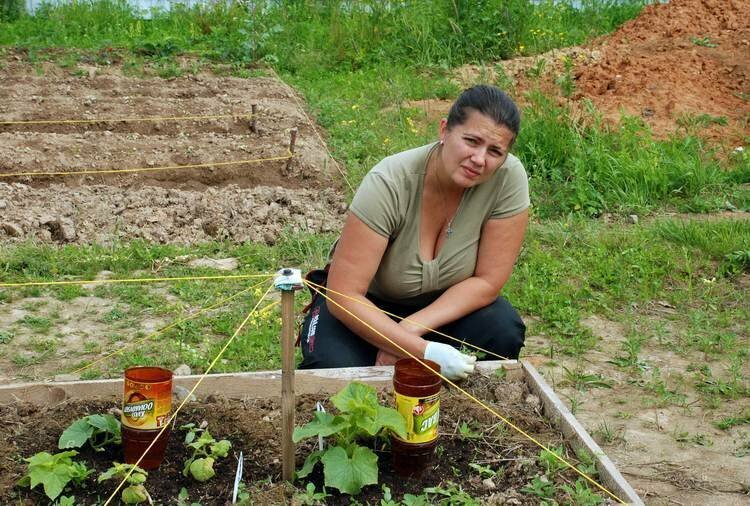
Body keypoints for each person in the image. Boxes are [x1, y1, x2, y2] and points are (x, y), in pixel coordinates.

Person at [299, 85, 529, 380]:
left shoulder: (507, 178)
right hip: (363, 306)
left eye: (495, 151)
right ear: (444, 131)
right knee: (332, 371)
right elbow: (344, 294)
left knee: (502, 330)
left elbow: (488, 281)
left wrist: (406, 334)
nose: (480, 159)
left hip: (441, 309)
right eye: (472, 141)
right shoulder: (389, 181)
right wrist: (425, 352)